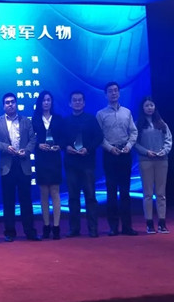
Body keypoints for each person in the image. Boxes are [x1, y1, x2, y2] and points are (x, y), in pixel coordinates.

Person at [0, 93, 40, 242]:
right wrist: (6, 148)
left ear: (16, 104)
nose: (10, 105)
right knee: (8, 200)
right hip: (7, 165)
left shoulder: (26, 121)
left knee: (26, 199)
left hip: (23, 163)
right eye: (7, 102)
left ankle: (30, 231)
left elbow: (33, 139)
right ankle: (9, 231)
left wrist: (26, 151)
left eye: (13, 102)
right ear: (3, 106)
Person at [96, 82, 138, 236]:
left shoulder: (127, 112)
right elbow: (98, 136)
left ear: (119, 93)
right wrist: (109, 148)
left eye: (115, 90)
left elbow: (133, 132)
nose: (113, 93)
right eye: (110, 91)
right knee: (111, 191)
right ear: (105, 95)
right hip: (110, 154)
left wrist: (129, 146)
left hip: (125, 153)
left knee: (125, 192)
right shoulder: (100, 114)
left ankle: (127, 226)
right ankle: (113, 227)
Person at [64, 91, 103, 238]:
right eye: (74, 100)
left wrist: (88, 148)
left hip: (87, 163)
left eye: (80, 100)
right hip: (71, 163)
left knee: (90, 197)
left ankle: (93, 228)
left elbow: (99, 137)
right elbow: (60, 138)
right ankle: (74, 229)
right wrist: (66, 147)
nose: (77, 102)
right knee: (73, 197)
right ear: (70, 103)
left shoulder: (91, 119)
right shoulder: (66, 121)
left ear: (84, 103)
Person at [134, 96, 172, 234]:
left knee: (161, 193)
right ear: (142, 108)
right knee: (148, 193)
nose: (149, 108)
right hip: (146, 161)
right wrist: (146, 152)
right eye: (147, 105)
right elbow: (134, 143)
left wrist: (164, 151)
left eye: (151, 105)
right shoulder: (138, 124)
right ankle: (149, 223)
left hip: (162, 160)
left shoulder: (162, 123)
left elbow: (168, 140)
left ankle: (162, 222)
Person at [31, 91, 63, 239]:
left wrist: (59, 145)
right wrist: (38, 145)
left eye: (48, 100)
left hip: (54, 158)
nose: (46, 102)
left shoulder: (58, 119)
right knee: (43, 192)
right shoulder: (35, 119)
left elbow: (64, 137)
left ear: (51, 102)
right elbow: (31, 139)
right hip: (41, 158)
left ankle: (56, 226)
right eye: (44, 100)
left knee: (55, 191)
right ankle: (46, 225)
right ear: (40, 102)